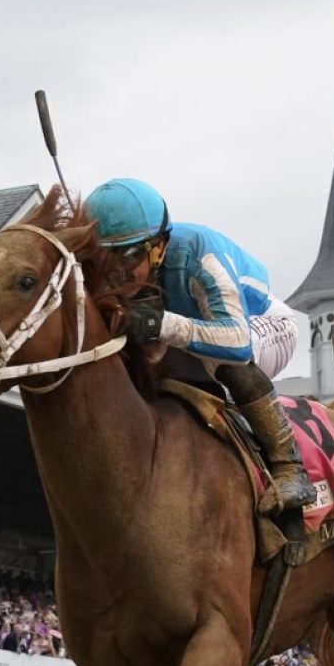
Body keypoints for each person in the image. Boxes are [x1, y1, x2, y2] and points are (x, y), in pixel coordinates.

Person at [84, 178, 315, 513]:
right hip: (199, 331)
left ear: (158, 246)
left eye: (129, 256)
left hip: (264, 326)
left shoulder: (201, 256)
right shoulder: (133, 268)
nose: (117, 273)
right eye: (105, 260)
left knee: (221, 363)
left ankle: (289, 468)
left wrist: (162, 324)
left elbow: (237, 342)